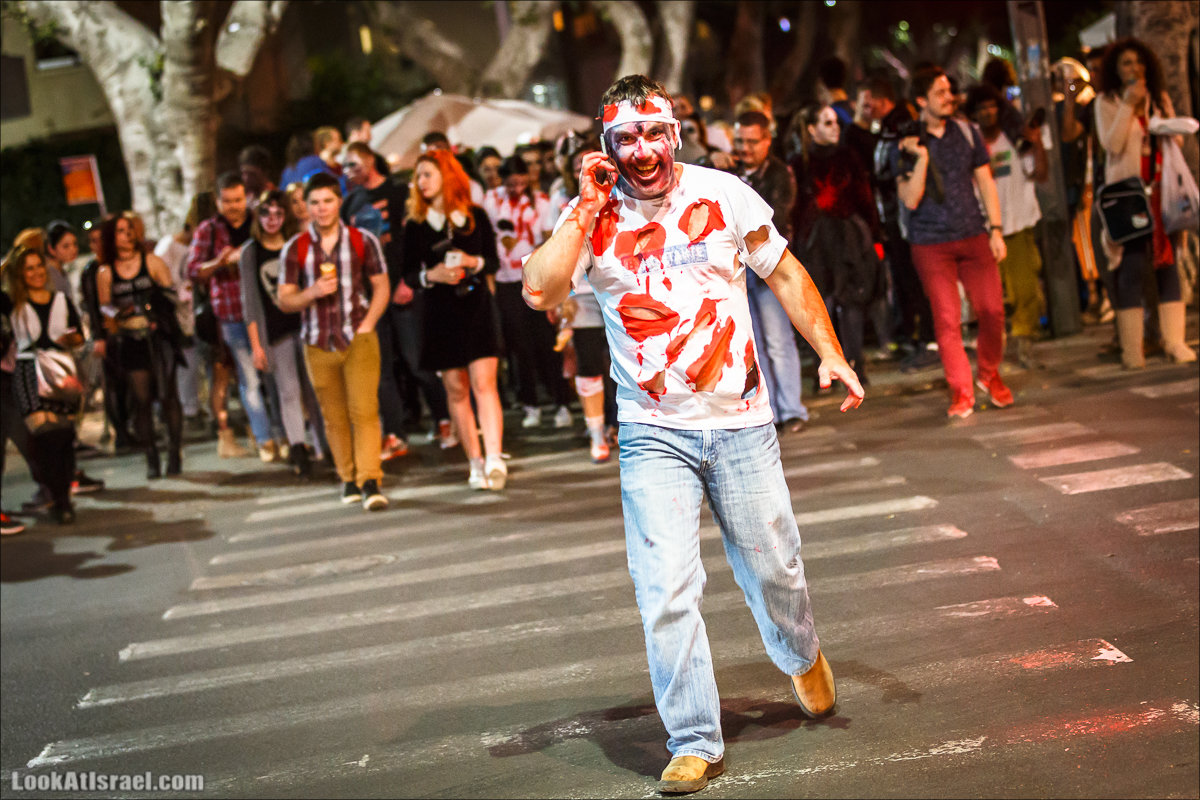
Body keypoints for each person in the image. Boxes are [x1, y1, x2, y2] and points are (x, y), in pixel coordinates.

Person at [523, 75, 863, 793]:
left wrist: (829, 351)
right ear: (607, 144)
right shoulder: (591, 215)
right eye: (626, 138)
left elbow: (787, 273)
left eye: (655, 134)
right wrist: (583, 209)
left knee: (776, 571)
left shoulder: (725, 192)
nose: (643, 150)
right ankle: (695, 737)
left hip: (741, 425)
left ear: (674, 134)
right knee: (665, 591)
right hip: (653, 436)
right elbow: (540, 290)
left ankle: (800, 654)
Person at [891, 65, 1013, 419]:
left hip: (974, 234)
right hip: (930, 243)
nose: (950, 98)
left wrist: (997, 229)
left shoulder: (967, 132)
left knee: (992, 310)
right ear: (920, 100)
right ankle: (961, 391)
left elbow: (986, 182)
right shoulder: (906, 143)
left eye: (950, 92)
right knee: (947, 319)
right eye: (940, 93)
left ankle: (989, 374)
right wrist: (922, 157)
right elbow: (910, 199)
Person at [278, 172, 390, 511]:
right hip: (316, 340)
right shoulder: (295, 248)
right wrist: (309, 293)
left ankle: (371, 479)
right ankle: (348, 478)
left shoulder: (361, 239)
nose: (322, 208)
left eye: (328, 201)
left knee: (365, 411)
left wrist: (369, 324)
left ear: (339, 202)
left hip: (358, 335)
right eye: (314, 203)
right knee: (333, 416)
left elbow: (381, 286)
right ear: (306, 207)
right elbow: (284, 299)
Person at [402, 150, 508, 490]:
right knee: (456, 388)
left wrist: (470, 261)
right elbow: (406, 274)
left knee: (484, 383)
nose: (422, 182)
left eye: (428, 174)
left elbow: (492, 261)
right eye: (418, 176)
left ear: (448, 176)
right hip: (439, 312)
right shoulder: (416, 225)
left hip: (475, 305)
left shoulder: (474, 216)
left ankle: (494, 458)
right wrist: (430, 274)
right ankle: (474, 462)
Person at [1094, 37, 1196, 366]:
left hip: (1163, 193)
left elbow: (1176, 141)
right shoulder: (1106, 102)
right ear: (1115, 70)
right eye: (1126, 63)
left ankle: (1174, 341)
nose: (1134, 68)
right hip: (1129, 198)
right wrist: (1127, 104)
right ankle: (1132, 350)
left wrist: (1164, 123)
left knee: (1168, 265)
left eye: (1138, 62)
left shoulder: (1158, 99)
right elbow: (1112, 145)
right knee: (1132, 265)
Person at [792, 103, 885, 389]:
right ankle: (827, 366)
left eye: (836, 123)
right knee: (821, 302)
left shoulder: (848, 156)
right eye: (827, 122)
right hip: (816, 240)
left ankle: (855, 361)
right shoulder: (799, 162)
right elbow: (796, 208)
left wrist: (875, 238)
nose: (835, 128)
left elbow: (865, 198)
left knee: (853, 298)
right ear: (811, 128)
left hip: (849, 236)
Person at [731, 110, 810, 431]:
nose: (745, 148)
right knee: (755, 345)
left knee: (779, 340)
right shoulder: (723, 170)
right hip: (737, 268)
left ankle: (792, 409)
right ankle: (770, 411)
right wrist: (712, 158)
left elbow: (773, 219)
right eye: (740, 140)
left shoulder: (779, 173)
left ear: (767, 141)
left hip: (768, 266)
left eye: (752, 141)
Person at [187, 171, 274, 459]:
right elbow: (193, 271)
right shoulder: (208, 230)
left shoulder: (259, 222)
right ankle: (265, 440)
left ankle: (286, 435)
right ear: (218, 200)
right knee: (248, 379)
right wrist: (220, 261)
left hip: (266, 310)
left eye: (238, 200)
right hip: (231, 315)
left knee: (275, 377)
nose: (234, 206)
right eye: (227, 201)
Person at [483, 155, 574, 430]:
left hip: (534, 279)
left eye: (521, 183)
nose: (516, 189)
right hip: (505, 281)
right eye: (511, 184)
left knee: (546, 343)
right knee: (519, 347)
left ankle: (561, 403)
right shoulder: (490, 200)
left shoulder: (542, 202)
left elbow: (549, 240)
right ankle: (530, 404)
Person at [966, 83, 1050, 365]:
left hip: (1019, 222)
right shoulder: (970, 144)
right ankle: (995, 348)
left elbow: (1039, 173)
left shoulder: (1014, 139)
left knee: (1026, 290)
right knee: (992, 297)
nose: (987, 112)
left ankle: (1025, 343)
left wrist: (1036, 141)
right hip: (985, 231)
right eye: (981, 108)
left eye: (992, 106)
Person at [96, 212, 185, 478]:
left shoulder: (152, 261)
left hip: (158, 338)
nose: (127, 234)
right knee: (142, 400)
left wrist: (156, 307)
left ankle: (174, 452)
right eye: (121, 231)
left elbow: (171, 296)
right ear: (112, 237)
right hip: (131, 340)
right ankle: (151, 456)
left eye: (129, 229)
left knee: (169, 395)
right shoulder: (106, 272)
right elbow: (104, 308)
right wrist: (117, 314)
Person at [343, 140, 416, 460]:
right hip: (372, 295)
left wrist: (405, 280)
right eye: (345, 167)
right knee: (382, 367)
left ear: (369, 161)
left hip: (402, 286)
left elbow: (410, 239)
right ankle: (395, 434)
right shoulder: (350, 204)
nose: (347, 172)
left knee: (417, 360)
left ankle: (445, 419)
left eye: (352, 165)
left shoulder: (398, 192)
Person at [6, 245, 85, 523]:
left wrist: (71, 339)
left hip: (60, 371)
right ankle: (60, 501)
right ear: (20, 274)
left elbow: (79, 337)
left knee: (64, 437)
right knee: (45, 436)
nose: (36, 273)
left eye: (39, 266)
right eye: (28, 268)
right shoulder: (12, 302)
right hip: (28, 372)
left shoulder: (61, 300)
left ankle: (61, 495)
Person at [239, 189, 313, 477]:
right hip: (276, 330)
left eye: (278, 213)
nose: (272, 219)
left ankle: (325, 446)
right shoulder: (251, 250)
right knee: (288, 390)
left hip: (307, 325)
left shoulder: (298, 244)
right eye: (266, 213)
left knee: (315, 389)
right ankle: (298, 447)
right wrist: (257, 346)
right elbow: (250, 303)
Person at [155, 192, 214, 430]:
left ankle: (197, 406)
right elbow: (163, 282)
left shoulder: (189, 248)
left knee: (201, 359)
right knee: (185, 361)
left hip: (194, 311)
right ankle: (186, 409)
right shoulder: (169, 248)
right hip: (176, 313)